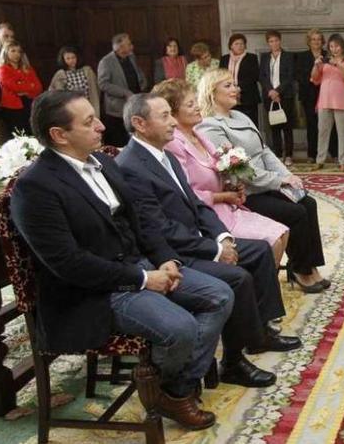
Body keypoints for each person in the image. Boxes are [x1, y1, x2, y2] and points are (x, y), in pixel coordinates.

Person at [12, 90, 233, 429]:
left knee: (219, 295)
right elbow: (69, 264)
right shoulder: (35, 187)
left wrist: (164, 259)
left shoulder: (104, 162)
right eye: (88, 122)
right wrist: (143, 279)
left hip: (137, 266)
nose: (102, 126)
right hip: (93, 292)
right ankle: (176, 395)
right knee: (181, 327)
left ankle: (173, 390)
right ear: (59, 135)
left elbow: (140, 221)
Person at [116, 93, 302, 387]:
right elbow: (158, 228)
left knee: (258, 251)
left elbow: (196, 205)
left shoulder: (161, 154)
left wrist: (223, 238)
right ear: (139, 124)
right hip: (171, 254)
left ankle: (260, 333)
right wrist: (214, 250)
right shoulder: (131, 165)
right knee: (238, 278)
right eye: (165, 116)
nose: (173, 122)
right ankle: (233, 362)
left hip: (194, 238)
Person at [196, 69, 329, 293]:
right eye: (227, 86)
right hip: (247, 193)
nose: (235, 90)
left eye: (234, 84)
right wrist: (278, 181)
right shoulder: (210, 126)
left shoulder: (241, 116)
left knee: (307, 203)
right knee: (295, 213)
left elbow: (265, 150)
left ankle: (308, 265)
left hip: (267, 183)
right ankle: (300, 269)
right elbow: (241, 171)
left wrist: (286, 175)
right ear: (211, 92)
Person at [154, 79, 289, 264]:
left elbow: (219, 168)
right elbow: (185, 195)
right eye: (190, 104)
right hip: (207, 214)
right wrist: (224, 196)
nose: (198, 107)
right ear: (173, 113)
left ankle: (264, 286)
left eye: (196, 102)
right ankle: (261, 287)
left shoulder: (198, 136)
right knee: (271, 242)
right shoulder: (174, 144)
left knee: (282, 232)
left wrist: (233, 185)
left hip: (227, 208)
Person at [312, 33, 344, 171]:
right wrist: (316, 65)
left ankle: (343, 162)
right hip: (324, 102)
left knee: (342, 133)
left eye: (336, 46)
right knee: (322, 132)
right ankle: (320, 160)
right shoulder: (325, 61)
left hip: (343, 103)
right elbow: (315, 79)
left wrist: (337, 64)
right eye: (331, 46)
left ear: (342, 46)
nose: (334, 49)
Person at [98, 32, 147, 147]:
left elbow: (137, 72)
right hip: (117, 109)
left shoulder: (131, 57)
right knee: (120, 142)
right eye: (129, 44)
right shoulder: (106, 62)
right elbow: (103, 84)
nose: (132, 46)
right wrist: (124, 93)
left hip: (135, 104)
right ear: (120, 47)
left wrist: (143, 82)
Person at [295, 28, 336, 163]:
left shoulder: (329, 55)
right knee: (312, 125)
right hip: (309, 95)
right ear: (309, 41)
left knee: (330, 124)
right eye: (313, 39)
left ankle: (334, 153)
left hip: (328, 94)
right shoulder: (302, 57)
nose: (316, 42)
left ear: (323, 41)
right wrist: (314, 78)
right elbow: (300, 76)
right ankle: (312, 155)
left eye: (319, 39)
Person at [259, 30, 296, 164]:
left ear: (280, 41)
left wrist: (278, 91)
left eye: (276, 40)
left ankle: (289, 155)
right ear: (268, 43)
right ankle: (278, 154)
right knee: (274, 126)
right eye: (271, 41)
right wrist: (271, 91)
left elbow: (289, 76)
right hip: (269, 96)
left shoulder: (288, 56)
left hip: (285, 96)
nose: (274, 43)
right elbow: (262, 77)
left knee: (287, 126)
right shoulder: (264, 57)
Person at [0, 41, 42, 139]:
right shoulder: (3, 69)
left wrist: (23, 86)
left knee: (32, 133)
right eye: (13, 51)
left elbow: (38, 87)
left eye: (19, 51)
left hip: (29, 103)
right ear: (6, 53)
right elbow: (13, 87)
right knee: (19, 136)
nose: (17, 54)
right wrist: (30, 86)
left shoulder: (27, 68)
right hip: (12, 108)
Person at [219, 33, 261, 125]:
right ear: (231, 46)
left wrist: (238, 88)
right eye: (236, 44)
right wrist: (230, 89)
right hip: (228, 96)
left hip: (248, 97)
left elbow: (254, 76)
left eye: (242, 44)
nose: (239, 46)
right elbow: (220, 76)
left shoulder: (252, 58)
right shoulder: (224, 59)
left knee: (250, 123)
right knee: (233, 123)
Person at [49, 45, 101, 117]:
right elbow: (55, 92)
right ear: (63, 60)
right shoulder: (60, 74)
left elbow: (96, 89)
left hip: (88, 104)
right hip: (71, 108)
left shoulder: (87, 71)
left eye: (73, 57)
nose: (71, 60)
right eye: (68, 58)